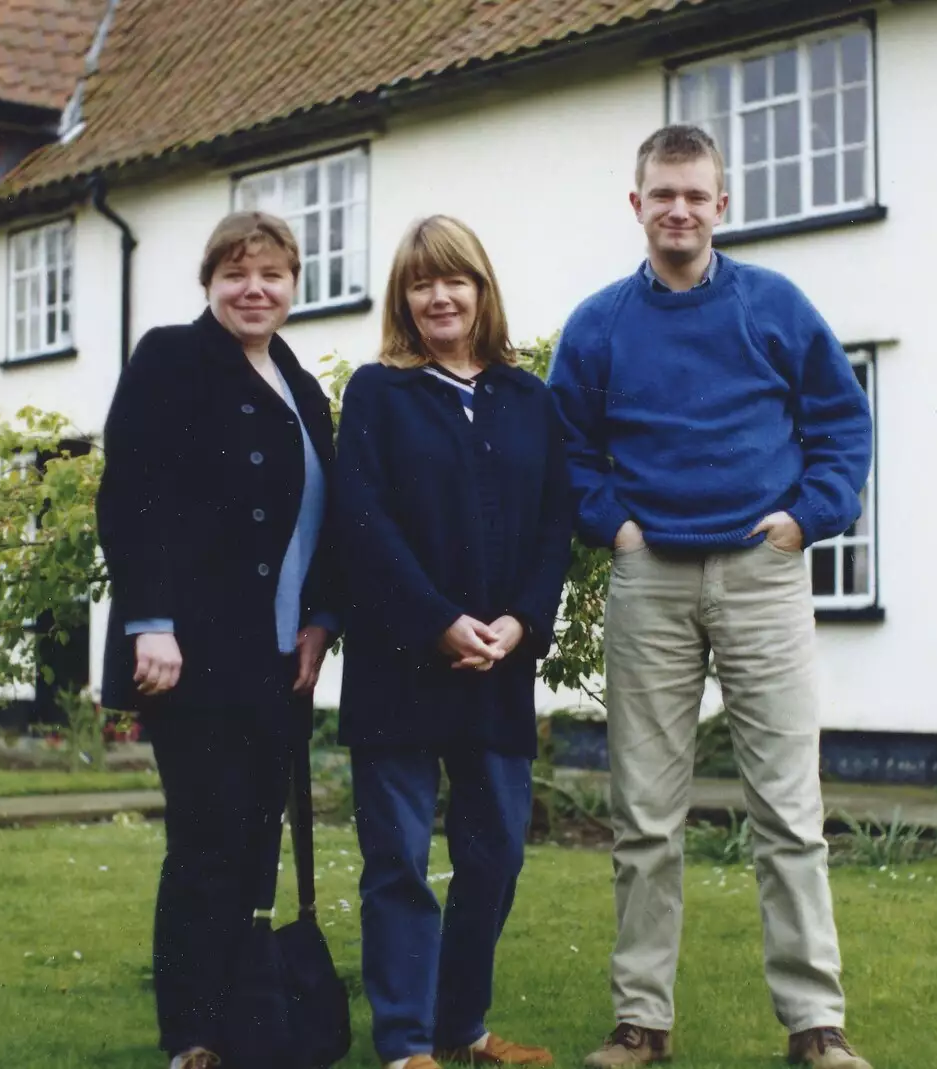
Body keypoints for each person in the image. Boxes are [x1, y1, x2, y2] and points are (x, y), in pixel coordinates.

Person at [547, 125, 875, 1069]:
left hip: (762, 571)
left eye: (696, 194)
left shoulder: (774, 307)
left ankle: (816, 1023)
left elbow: (842, 425)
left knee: (789, 809)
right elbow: (567, 450)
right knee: (645, 813)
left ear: (723, 204)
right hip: (650, 575)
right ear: (637, 204)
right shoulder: (600, 323)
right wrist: (615, 525)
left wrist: (804, 520)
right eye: (663, 194)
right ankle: (641, 1021)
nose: (679, 209)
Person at [96, 211, 342, 1069]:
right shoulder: (172, 357)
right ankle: (191, 1035)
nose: (255, 289)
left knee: (252, 844)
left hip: (277, 660)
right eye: (237, 273)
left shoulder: (299, 382)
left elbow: (325, 520)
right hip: (191, 653)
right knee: (205, 842)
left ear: (293, 286)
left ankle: (243, 1021)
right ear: (210, 281)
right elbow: (132, 495)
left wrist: (320, 621)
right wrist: (149, 622)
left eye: (272, 274)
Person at [334, 215, 572, 1069]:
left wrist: (523, 621)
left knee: (497, 854)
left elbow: (555, 522)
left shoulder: (528, 399)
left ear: (482, 289)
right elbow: (361, 522)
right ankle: (405, 1045)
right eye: (422, 282)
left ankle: (461, 1028)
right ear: (405, 298)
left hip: (497, 670)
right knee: (397, 858)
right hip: (400, 667)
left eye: (455, 279)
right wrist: (437, 620)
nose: (440, 296)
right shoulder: (376, 393)